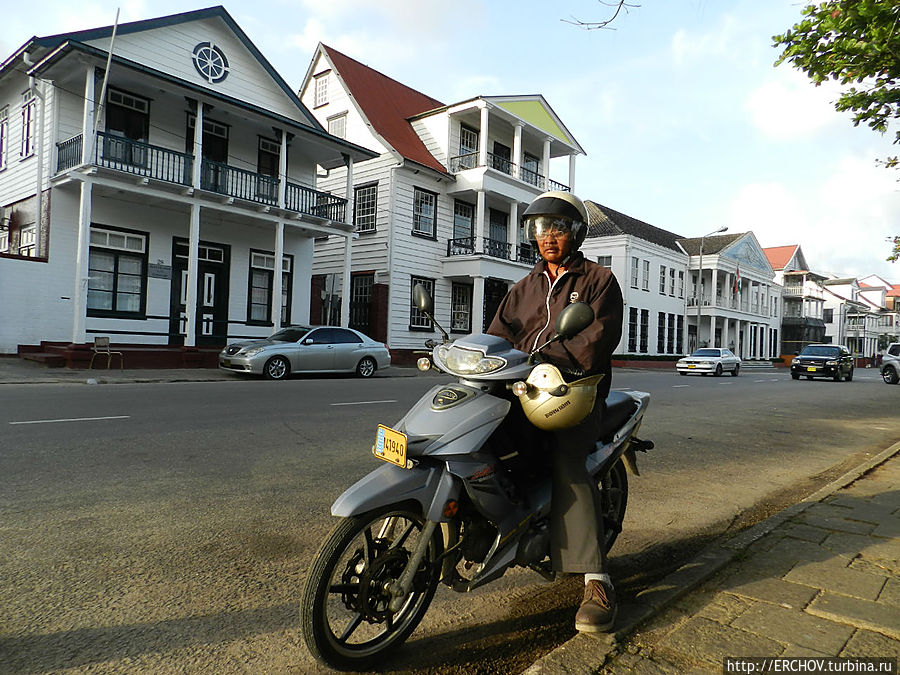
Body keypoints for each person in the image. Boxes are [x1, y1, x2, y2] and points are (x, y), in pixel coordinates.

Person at [487, 191, 624, 633]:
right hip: (522, 390)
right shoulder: (522, 288)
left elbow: (594, 341)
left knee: (568, 461)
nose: (548, 236)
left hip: (574, 394)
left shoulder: (600, 281)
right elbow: (497, 337)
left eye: (558, 227)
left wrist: (549, 364)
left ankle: (596, 578)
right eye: (541, 228)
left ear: (576, 233)